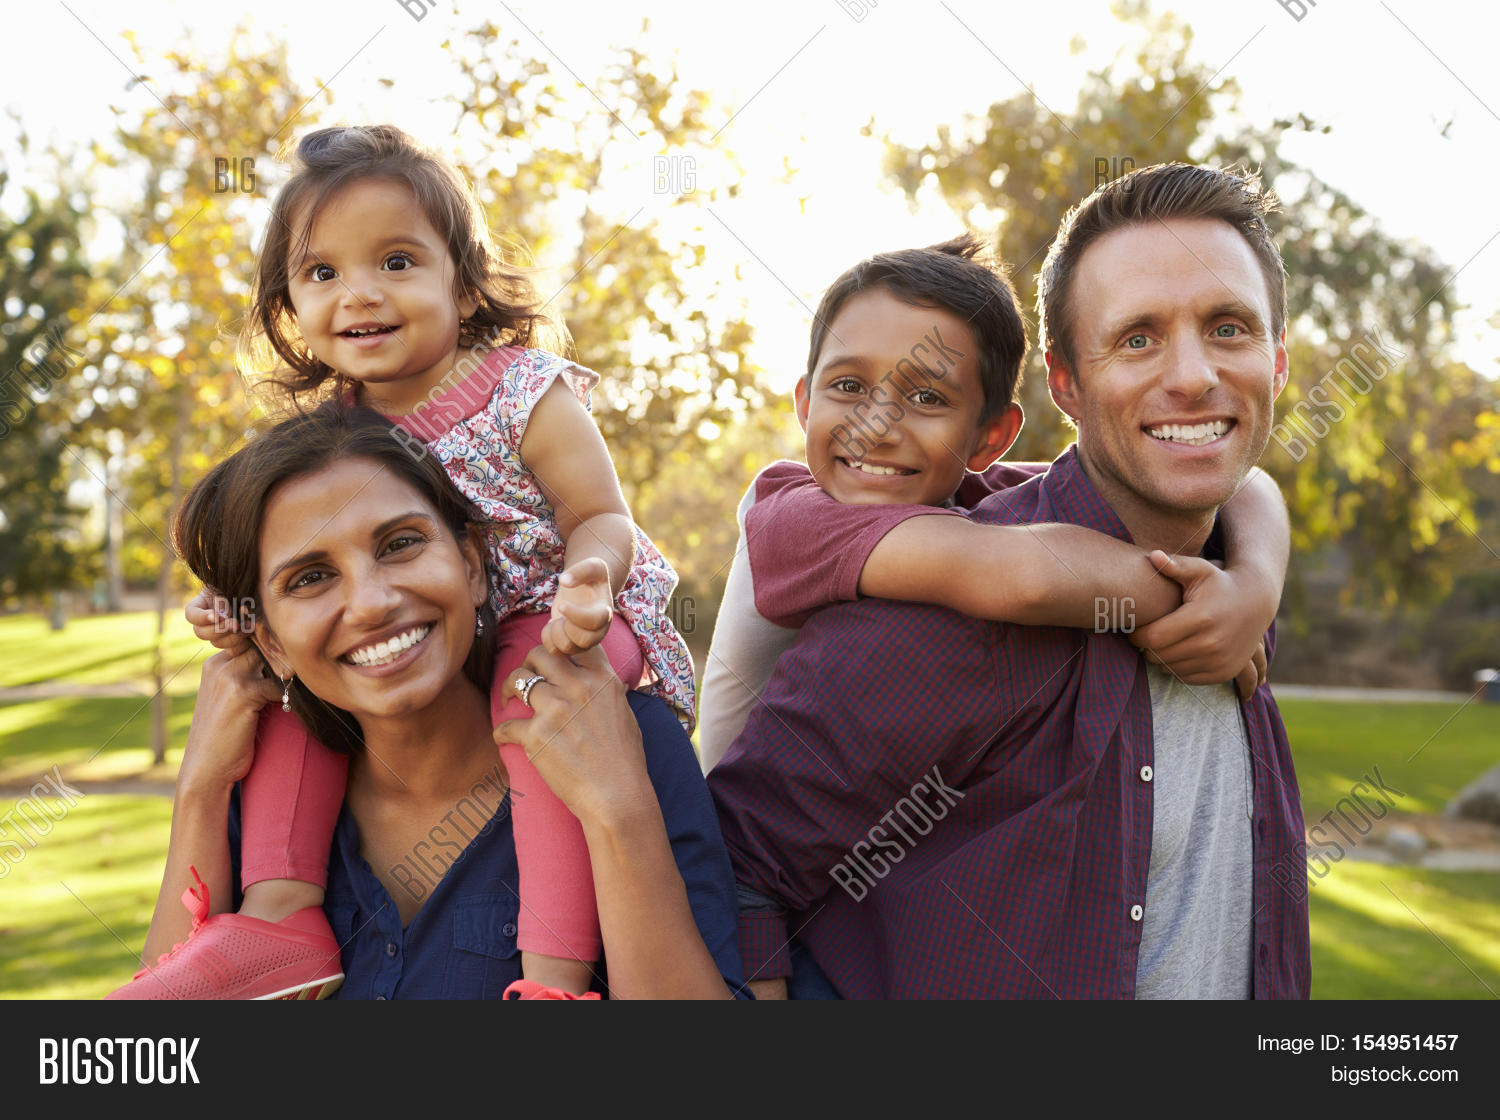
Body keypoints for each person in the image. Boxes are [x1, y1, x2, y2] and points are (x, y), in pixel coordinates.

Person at [110, 123, 695, 1000]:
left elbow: (602, 516)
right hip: (451, 629)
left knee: (529, 709)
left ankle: (551, 975)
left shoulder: (521, 390)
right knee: (294, 698)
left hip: (558, 614)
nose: (360, 295)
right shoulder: (334, 433)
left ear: (462, 286)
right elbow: (270, 565)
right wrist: (228, 613)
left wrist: (588, 583)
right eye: (322, 274)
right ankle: (280, 918)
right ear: (290, 311)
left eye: (395, 262)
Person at [708, 162, 1310, 999]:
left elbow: (1251, 485)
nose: (1192, 377)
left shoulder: (1234, 577)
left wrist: (1253, 582)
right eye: (1137, 337)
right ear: (1068, 383)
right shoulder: (936, 606)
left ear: (1277, 364)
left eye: (1229, 328)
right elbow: (735, 864)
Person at [111, 403, 744, 1000]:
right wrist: (199, 788)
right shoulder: (257, 798)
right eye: (310, 578)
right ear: (270, 642)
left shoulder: (622, 741)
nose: (372, 602)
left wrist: (616, 810)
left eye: (400, 544)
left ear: (471, 565)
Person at [698, 235, 1284, 773]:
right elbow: (1028, 576)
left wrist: (1253, 586)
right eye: (849, 386)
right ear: (804, 403)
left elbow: (1249, 483)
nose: (875, 426)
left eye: (926, 396)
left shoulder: (976, 493)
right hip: (737, 866)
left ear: (990, 438)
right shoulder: (792, 512)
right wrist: (1201, 602)